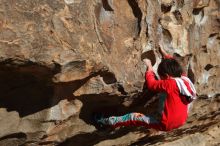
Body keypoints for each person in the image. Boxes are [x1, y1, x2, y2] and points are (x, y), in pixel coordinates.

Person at [94, 46, 196, 131]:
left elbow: (151, 84)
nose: (161, 79)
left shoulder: (170, 84)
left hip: (164, 123)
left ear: (166, 76)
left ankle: (104, 122)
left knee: (132, 117)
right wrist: (165, 54)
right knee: (164, 97)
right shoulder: (184, 79)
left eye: (162, 77)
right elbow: (178, 66)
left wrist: (149, 67)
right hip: (180, 120)